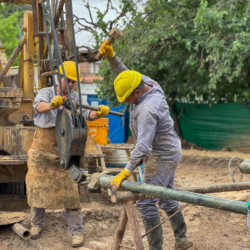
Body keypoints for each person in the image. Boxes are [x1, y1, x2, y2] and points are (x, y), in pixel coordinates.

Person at [99, 40, 193, 250]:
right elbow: (126, 75)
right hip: (168, 150)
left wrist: (126, 171)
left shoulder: (147, 110)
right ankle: (182, 239)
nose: (126, 102)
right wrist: (112, 57)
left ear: (138, 93)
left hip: (161, 155)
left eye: (127, 98)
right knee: (167, 197)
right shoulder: (148, 84)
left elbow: (143, 146)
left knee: (146, 201)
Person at [26, 61, 110, 247]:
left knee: (71, 189)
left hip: (64, 149)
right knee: (37, 187)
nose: (71, 85)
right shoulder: (46, 93)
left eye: (74, 82)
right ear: (59, 78)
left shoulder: (74, 97)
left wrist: (99, 113)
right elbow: (39, 107)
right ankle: (36, 225)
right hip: (42, 148)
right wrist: (52, 104)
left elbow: (87, 114)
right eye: (69, 81)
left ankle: (77, 231)